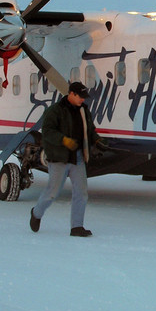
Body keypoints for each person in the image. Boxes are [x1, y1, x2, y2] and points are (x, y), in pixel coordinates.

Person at [30, 82, 100, 237]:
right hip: (59, 158)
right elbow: (47, 132)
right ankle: (36, 213)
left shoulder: (84, 111)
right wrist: (63, 140)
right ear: (72, 94)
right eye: (80, 97)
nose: (83, 100)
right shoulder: (55, 111)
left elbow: (90, 129)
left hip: (78, 158)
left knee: (81, 193)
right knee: (52, 192)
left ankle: (77, 227)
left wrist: (97, 140)